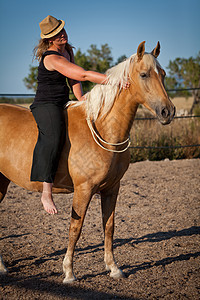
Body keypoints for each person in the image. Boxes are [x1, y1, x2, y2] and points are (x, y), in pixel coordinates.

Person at [30, 15, 109, 215]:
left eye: (62, 30)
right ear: (49, 40)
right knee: (53, 137)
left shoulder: (67, 50)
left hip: (64, 101)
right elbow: (82, 74)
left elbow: (74, 79)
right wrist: (114, 80)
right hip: (47, 105)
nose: (62, 35)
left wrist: (80, 97)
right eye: (57, 34)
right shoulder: (52, 57)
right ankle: (46, 192)